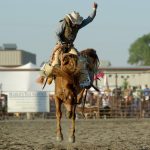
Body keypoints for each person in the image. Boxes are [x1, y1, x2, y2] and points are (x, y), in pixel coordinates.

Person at [37, 2, 98, 86]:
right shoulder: (64, 23)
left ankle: (83, 81)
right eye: (75, 22)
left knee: (80, 60)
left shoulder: (77, 25)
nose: (77, 24)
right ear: (72, 20)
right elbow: (56, 33)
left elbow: (89, 19)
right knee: (55, 62)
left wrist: (94, 9)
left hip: (70, 47)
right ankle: (46, 75)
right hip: (60, 46)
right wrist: (60, 43)